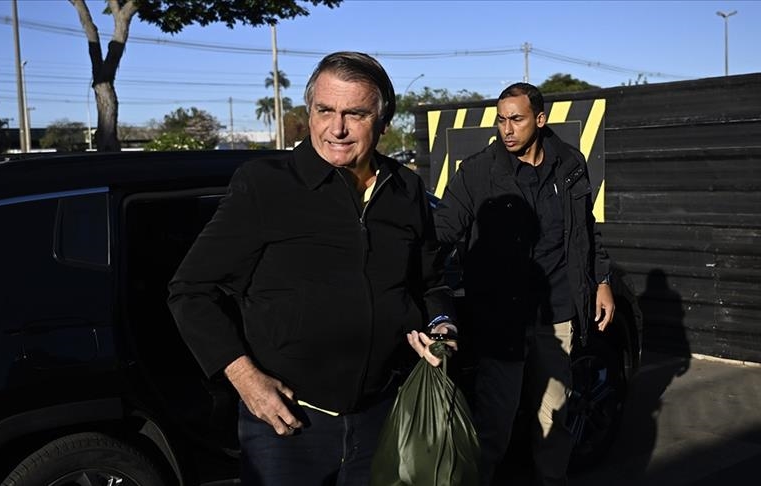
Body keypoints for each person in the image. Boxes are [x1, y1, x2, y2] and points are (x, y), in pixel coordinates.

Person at [167, 51, 456, 486]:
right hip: (287, 424)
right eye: (324, 111)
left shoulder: (406, 189)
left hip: (385, 414)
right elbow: (190, 290)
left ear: (383, 121)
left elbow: (430, 283)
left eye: (355, 114)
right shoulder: (266, 184)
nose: (336, 128)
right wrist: (246, 379)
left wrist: (443, 325)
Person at [434, 82, 615, 486]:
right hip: (502, 318)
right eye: (501, 120)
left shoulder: (569, 164)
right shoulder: (478, 171)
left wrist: (601, 279)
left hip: (557, 314)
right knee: (494, 424)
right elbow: (443, 227)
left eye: (516, 119)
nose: (507, 129)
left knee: (554, 419)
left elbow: (585, 230)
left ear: (540, 119)